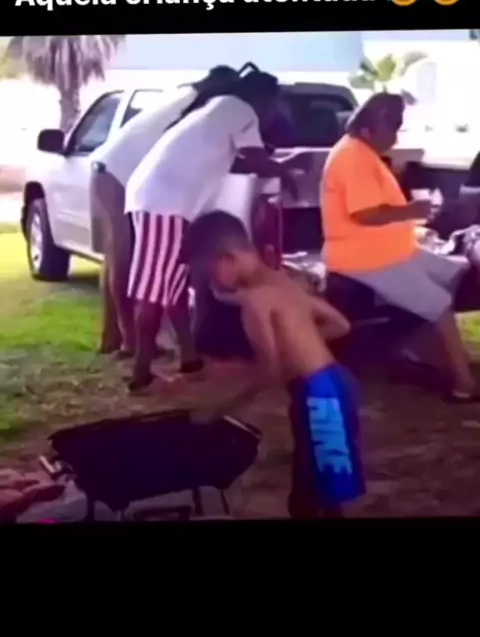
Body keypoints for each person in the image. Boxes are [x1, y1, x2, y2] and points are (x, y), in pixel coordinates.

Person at [124, 70, 307, 392]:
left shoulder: (219, 108)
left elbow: (238, 162)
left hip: (167, 201)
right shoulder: (241, 109)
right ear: (263, 99)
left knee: (173, 288)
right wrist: (286, 173)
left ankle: (190, 360)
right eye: (273, 106)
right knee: (153, 292)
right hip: (163, 203)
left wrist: (283, 165)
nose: (272, 115)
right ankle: (141, 372)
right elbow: (255, 159)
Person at [185, 210, 365, 519]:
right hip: (334, 385)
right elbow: (340, 325)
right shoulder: (285, 282)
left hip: (319, 394)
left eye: (210, 273)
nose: (212, 283)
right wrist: (298, 346)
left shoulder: (255, 303)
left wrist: (220, 410)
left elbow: (269, 371)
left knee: (311, 500)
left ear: (226, 258)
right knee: (318, 490)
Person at [320, 92, 478, 403]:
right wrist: (411, 211)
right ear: (368, 128)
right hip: (365, 257)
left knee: (453, 274)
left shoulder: (363, 152)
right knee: (439, 305)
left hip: (392, 249)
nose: (395, 136)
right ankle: (464, 385)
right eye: (392, 127)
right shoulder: (352, 158)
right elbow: (364, 214)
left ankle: (415, 354)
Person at [90, 65, 239, 357]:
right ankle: (131, 341)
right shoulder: (194, 109)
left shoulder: (186, 96)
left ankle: (113, 335)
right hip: (118, 173)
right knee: (123, 257)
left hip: (110, 169)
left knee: (117, 256)